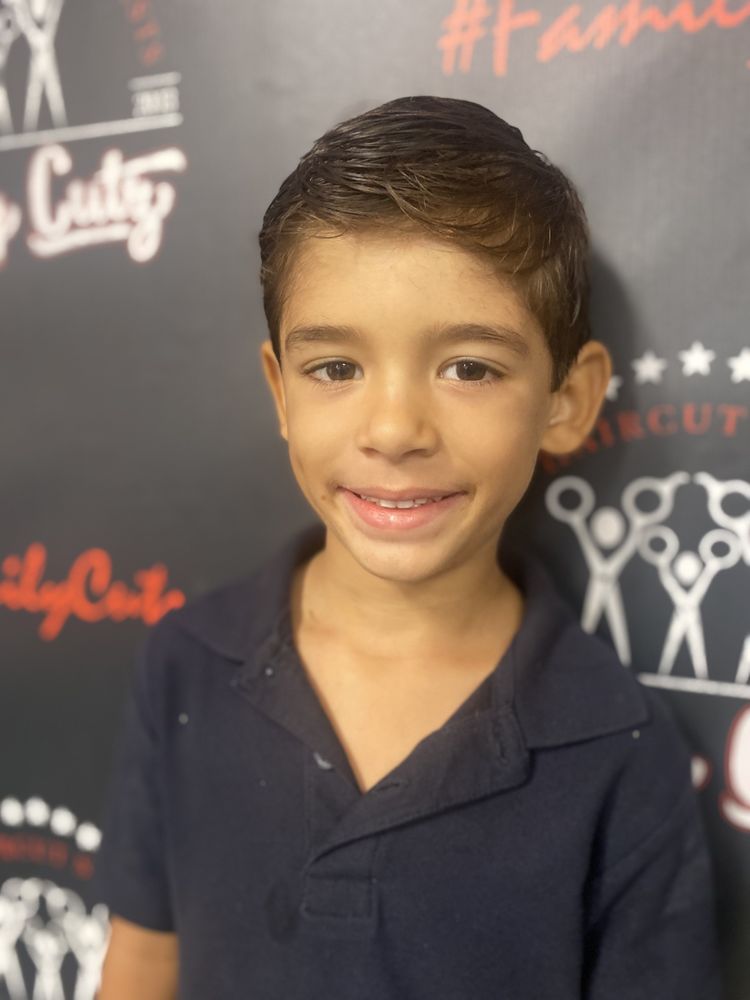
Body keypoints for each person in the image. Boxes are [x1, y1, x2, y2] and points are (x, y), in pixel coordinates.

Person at [93, 96, 721, 999]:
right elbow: (142, 965)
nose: (393, 431)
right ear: (280, 390)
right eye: (335, 368)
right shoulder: (185, 666)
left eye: (469, 367)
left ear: (568, 400)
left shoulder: (619, 748)